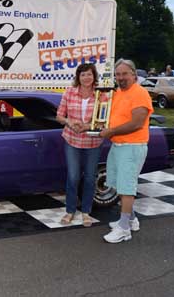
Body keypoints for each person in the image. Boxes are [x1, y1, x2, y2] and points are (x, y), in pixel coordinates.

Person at [99, 58, 153, 243]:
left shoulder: (140, 93)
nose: (121, 77)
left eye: (124, 74)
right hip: (118, 145)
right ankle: (131, 219)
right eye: (118, 74)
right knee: (119, 185)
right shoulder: (119, 93)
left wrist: (111, 131)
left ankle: (124, 230)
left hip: (132, 146)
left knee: (127, 187)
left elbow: (137, 123)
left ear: (134, 74)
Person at [56, 63, 103, 227]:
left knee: (90, 178)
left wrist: (88, 126)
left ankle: (86, 212)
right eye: (83, 75)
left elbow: (103, 120)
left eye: (89, 74)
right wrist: (69, 122)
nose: (86, 78)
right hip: (72, 140)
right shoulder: (69, 92)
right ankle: (70, 211)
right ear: (78, 77)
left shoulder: (101, 94)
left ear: (94, 76)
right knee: (73, 176)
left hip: (93, 142)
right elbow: (59, 116)